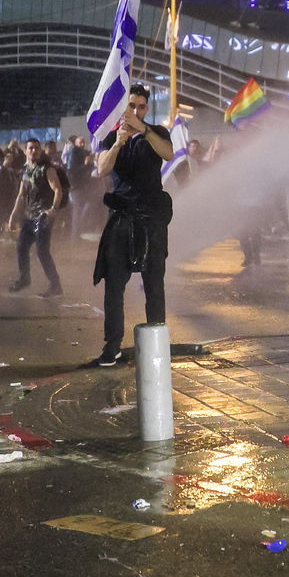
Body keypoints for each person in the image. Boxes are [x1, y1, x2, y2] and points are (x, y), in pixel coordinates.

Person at [91, 83, 174, 366]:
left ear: (147, 108)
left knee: (154, 284)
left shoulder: (156, 133)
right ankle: (111, 346)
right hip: (122, 217)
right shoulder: (110, 137)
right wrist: (118, 142)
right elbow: (102, 168)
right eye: (131, 106)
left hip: (151, 219)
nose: (136, 111)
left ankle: (157, 345)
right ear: (123, 108)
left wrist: (144, 129)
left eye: (141, 106)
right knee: (114, 285)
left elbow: (168, 153)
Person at [7, 138, 65, 297]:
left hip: (44, 216)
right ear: (25, 150)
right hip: (30, 215)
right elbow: (21, 196)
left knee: (41, 250)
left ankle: (55, 285)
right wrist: (13, 215)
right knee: (21, 246)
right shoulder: (25, 171)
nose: (34, 151)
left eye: (37, 148)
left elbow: (58, 190)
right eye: (31, 148)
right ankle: (24, 278)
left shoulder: (47, 169)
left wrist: (53, 209)